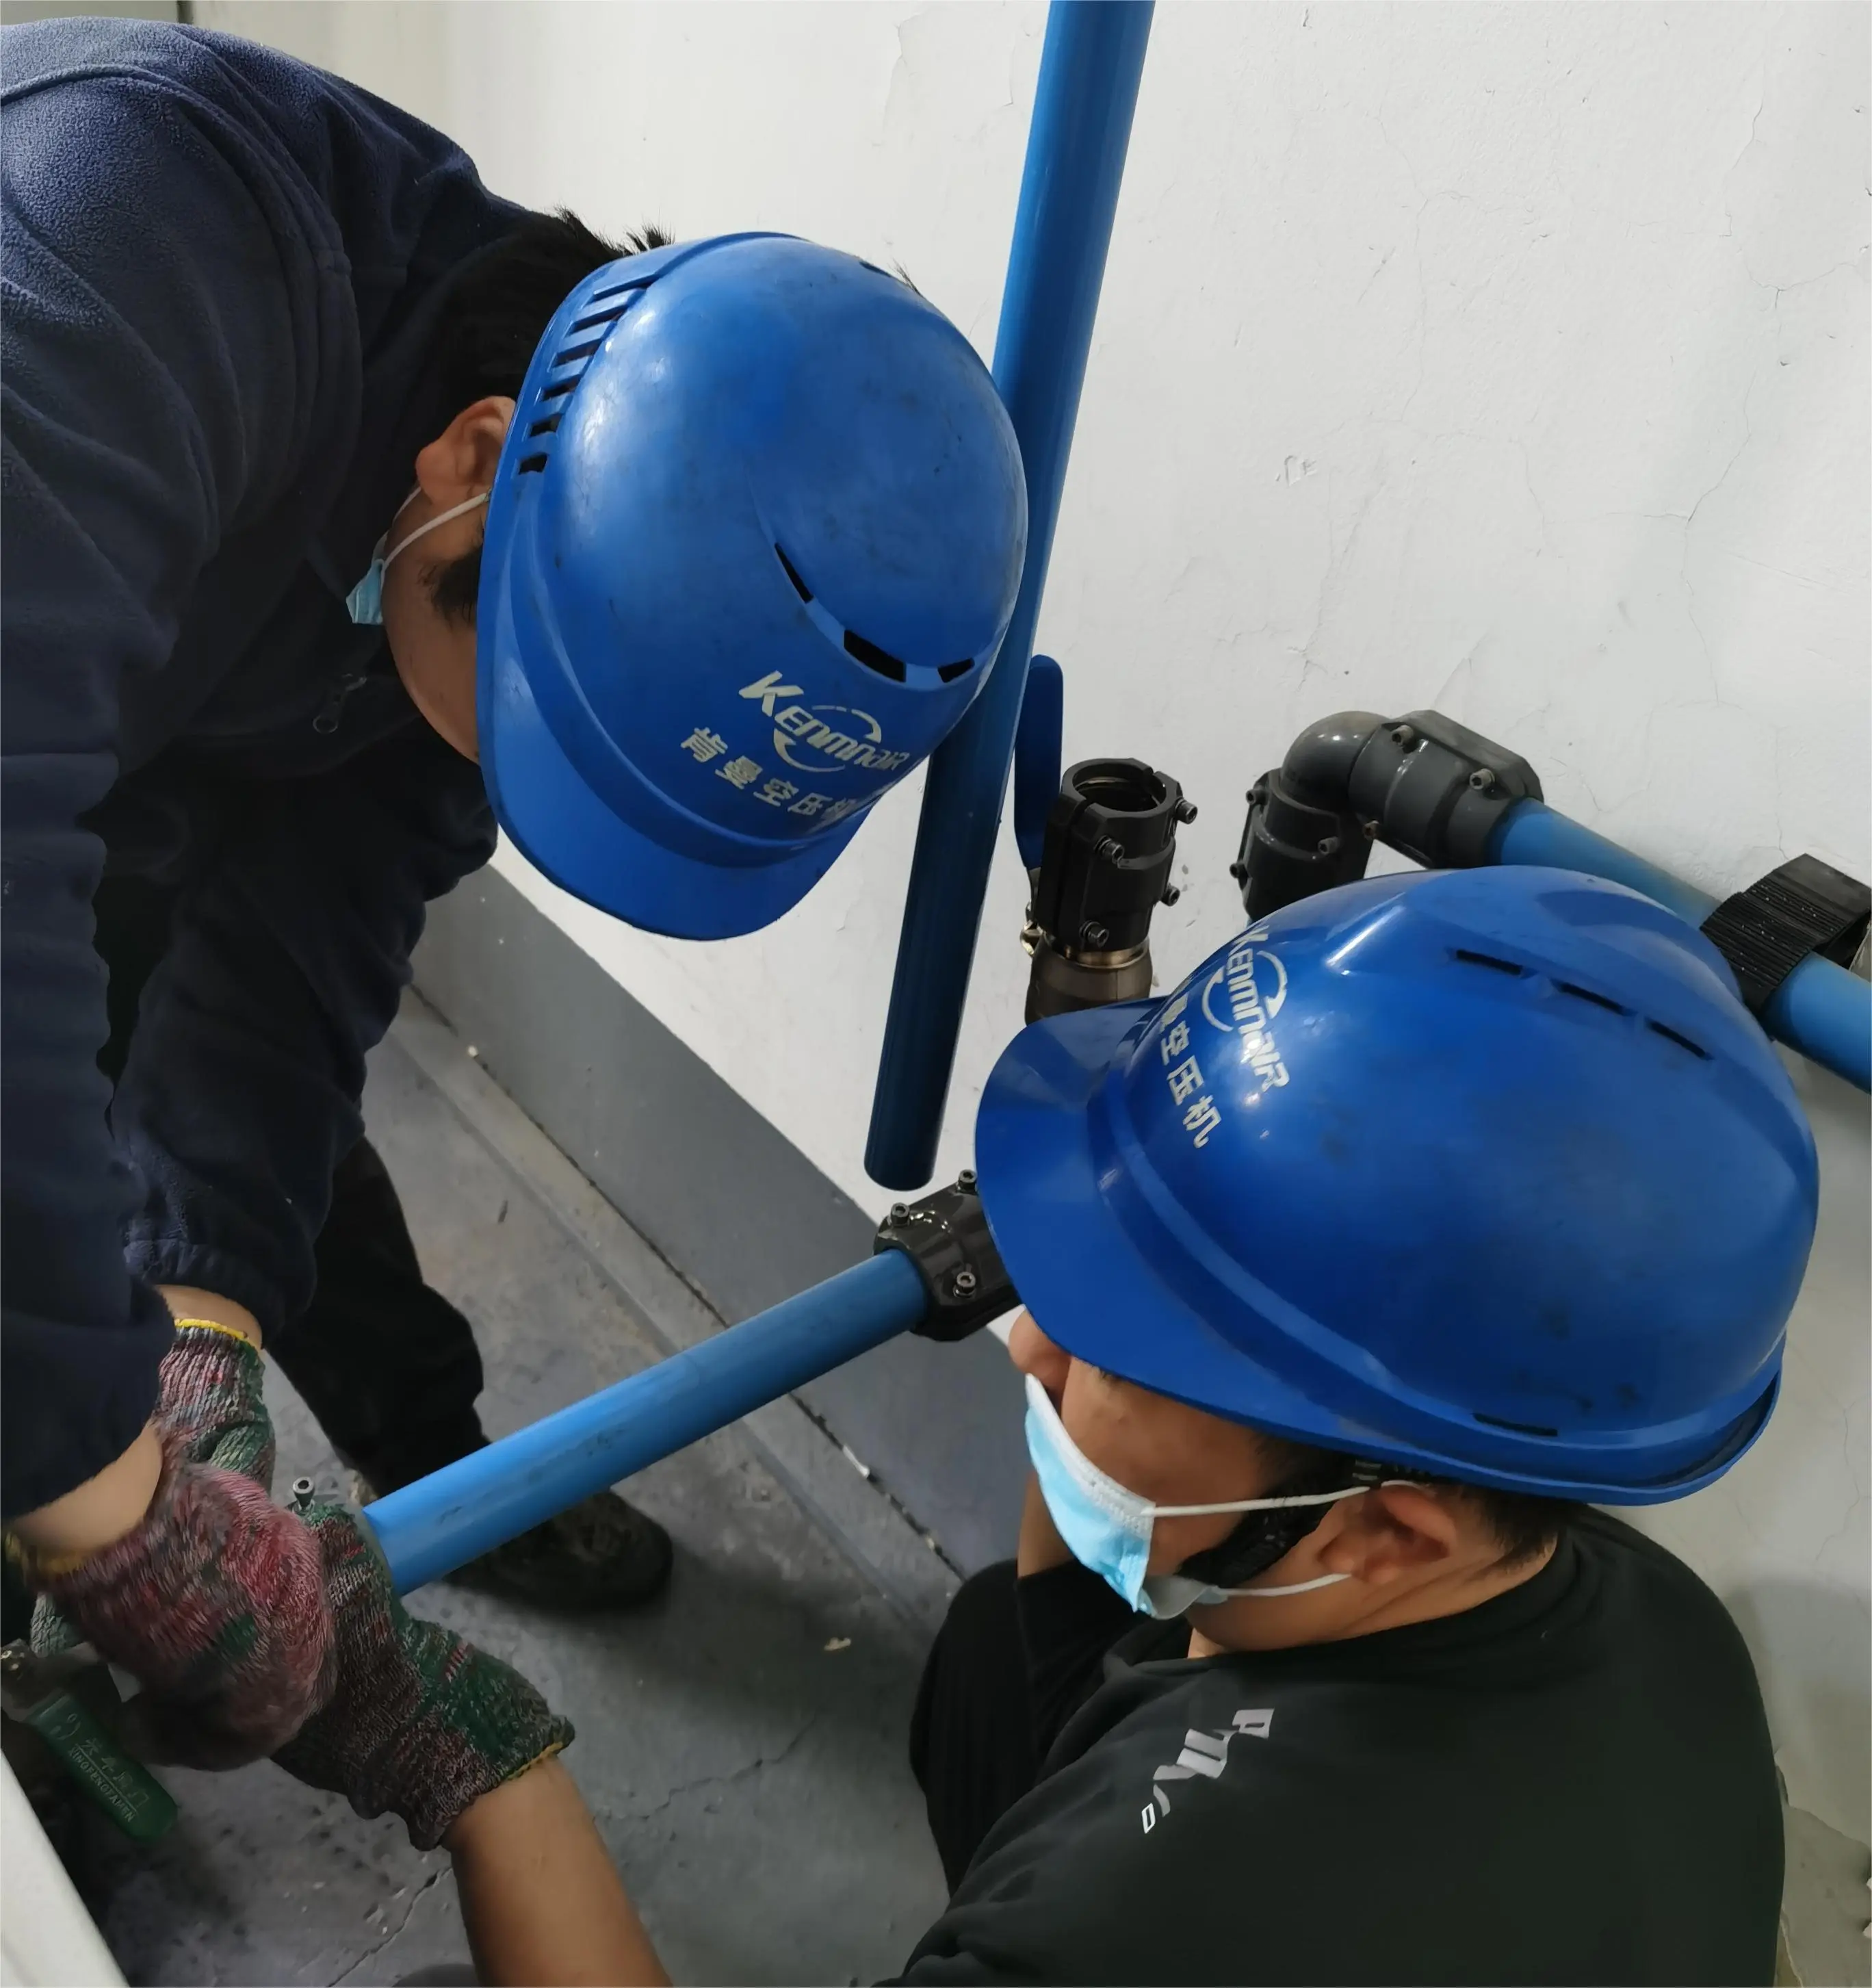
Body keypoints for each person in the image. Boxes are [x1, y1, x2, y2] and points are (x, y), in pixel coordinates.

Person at [217, 864, 1814, 1985]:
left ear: (1391, 1524)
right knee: (1003, 1645)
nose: (1032, 1338)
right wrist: (1091, 1249)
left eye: (1128, 1343)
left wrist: (482, 1767)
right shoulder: (1652, 1626)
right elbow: (1109, 1591)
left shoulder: (1147, 1923)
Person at [1, 10, 1024, 1705]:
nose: (488, 774)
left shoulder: (548, 547)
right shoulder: (124, 235)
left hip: (147, 735)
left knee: (263, 1164)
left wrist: (198, 1324)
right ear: (476, 459)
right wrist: (105, 1507)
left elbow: (301, 950)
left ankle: (424, 1460)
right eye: (527, 723)